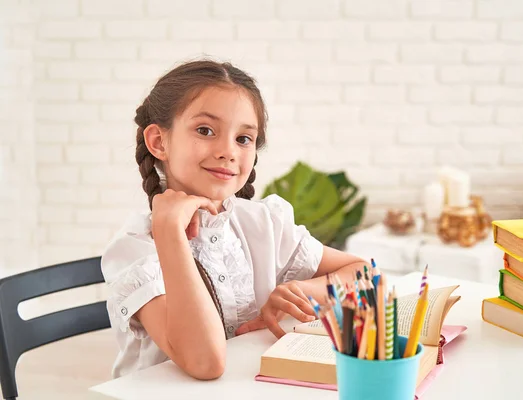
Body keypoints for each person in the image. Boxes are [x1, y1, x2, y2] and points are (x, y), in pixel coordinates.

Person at [100, 59, 366, 381]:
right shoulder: (136, 248)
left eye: (243, 139)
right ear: (159, 142)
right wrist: (169, 230)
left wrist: (303, 290)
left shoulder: (264, 223)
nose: (228, 151)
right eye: (205, 131)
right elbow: (205, 363)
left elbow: (364, 275)